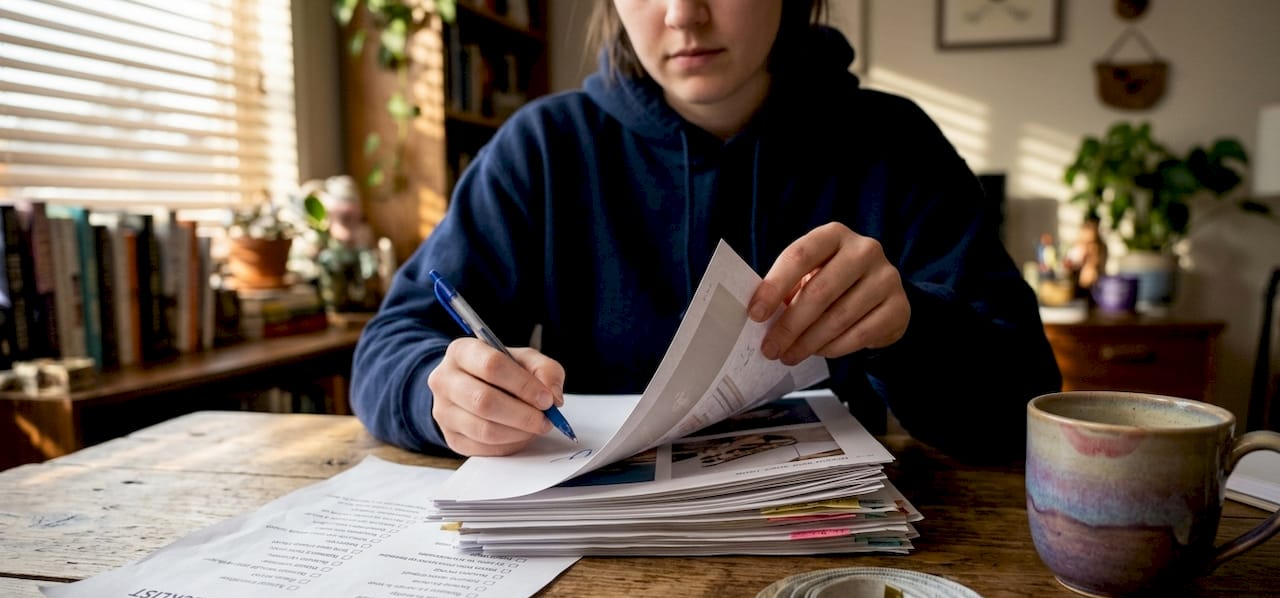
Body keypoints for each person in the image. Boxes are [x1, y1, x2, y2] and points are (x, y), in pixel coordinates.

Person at [350, 0, 1062, 463]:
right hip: (598, 558)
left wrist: (911, 326)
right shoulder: (544, 148)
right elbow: (389, 348)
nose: (683, 14)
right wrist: (438, 393)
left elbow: (1026, 408)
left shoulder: (894, 143)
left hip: (829, 550)